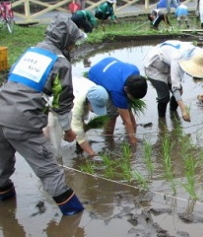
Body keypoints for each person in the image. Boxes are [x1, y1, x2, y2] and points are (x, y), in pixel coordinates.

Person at [0, 15, 86, 215]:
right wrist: (67, 130)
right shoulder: (60, 62)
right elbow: (62, 102)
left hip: (1, 107)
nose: (73, 46)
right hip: (22, 118)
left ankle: (6, 209)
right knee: (49, 169)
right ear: (66, 40)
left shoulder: (31, 51)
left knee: (2, 164)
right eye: (73, 42)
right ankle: (74, 217)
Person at [144, 41, 203, 120]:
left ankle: (173, 113)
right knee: (164, 97)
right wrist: (184, 110)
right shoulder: (178, 59)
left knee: (179, 91)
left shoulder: (198, 53)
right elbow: (175, 87)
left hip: (167, 63)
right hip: (154, 66)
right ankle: (162, 121)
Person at [88, 57, 148, 146]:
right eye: (132, 97)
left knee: (126, 106)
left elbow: (127, 109)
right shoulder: (117, 89)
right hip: (95, 75)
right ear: (125, 89)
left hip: (108, 62)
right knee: (112, 114)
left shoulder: (135, 72)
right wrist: (133, 141)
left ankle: (121, 134)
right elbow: (127, 121)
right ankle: (108, 138)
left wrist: (133, 129)